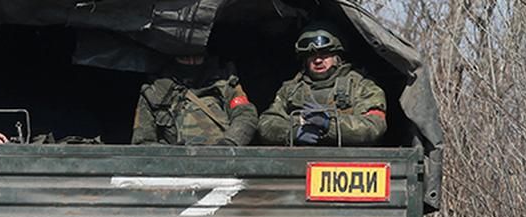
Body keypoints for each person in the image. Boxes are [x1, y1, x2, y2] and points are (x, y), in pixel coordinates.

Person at [258, 22, 387, 147]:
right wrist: (293, 132)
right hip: (299, 159)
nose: (318, 60)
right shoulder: (291, 90)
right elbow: (267, 123)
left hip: (349, 161)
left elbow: (374, 126)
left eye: (324, 54)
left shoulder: (361, 86)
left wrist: (329, 124)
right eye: (311, 56)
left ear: (338, 57)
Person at [132, 51, 257, 146]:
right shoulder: (154, 93)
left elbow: (245, 115)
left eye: (197, 58)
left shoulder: (225, 85)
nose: (192, 63)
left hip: (224, 164)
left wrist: (229, 144)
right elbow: (143, 142)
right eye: (184, 58)